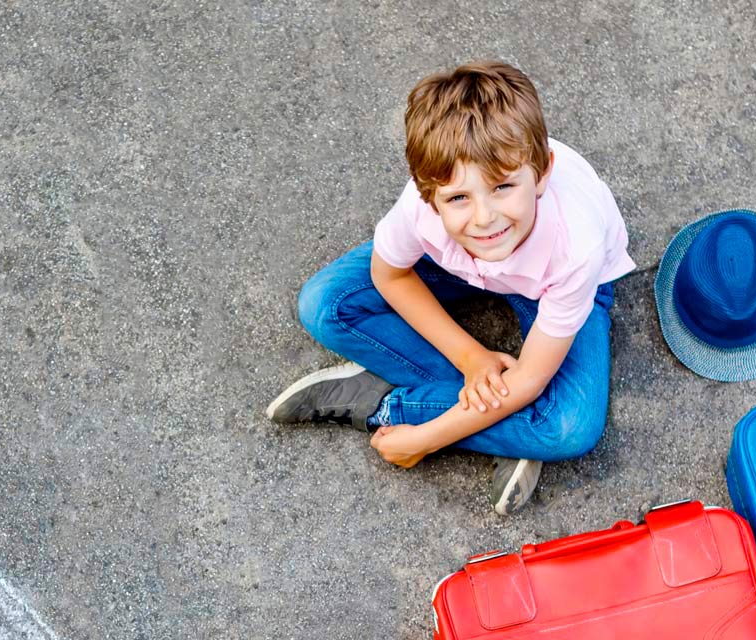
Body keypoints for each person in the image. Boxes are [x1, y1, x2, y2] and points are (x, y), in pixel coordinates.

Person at [267, 60, 635, 515]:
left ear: (541, 175)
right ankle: (510, 430)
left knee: (570, 427)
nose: (484, 218)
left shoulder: (575, 243)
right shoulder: (421, 211)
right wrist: (472, 357)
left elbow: (530, 378)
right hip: (456, 262)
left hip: (549, 283)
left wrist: (421, 438)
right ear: (428, 196)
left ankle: (379, 399)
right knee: (324, 305)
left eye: (502, 187)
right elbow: (391, 274)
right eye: (458, 198)